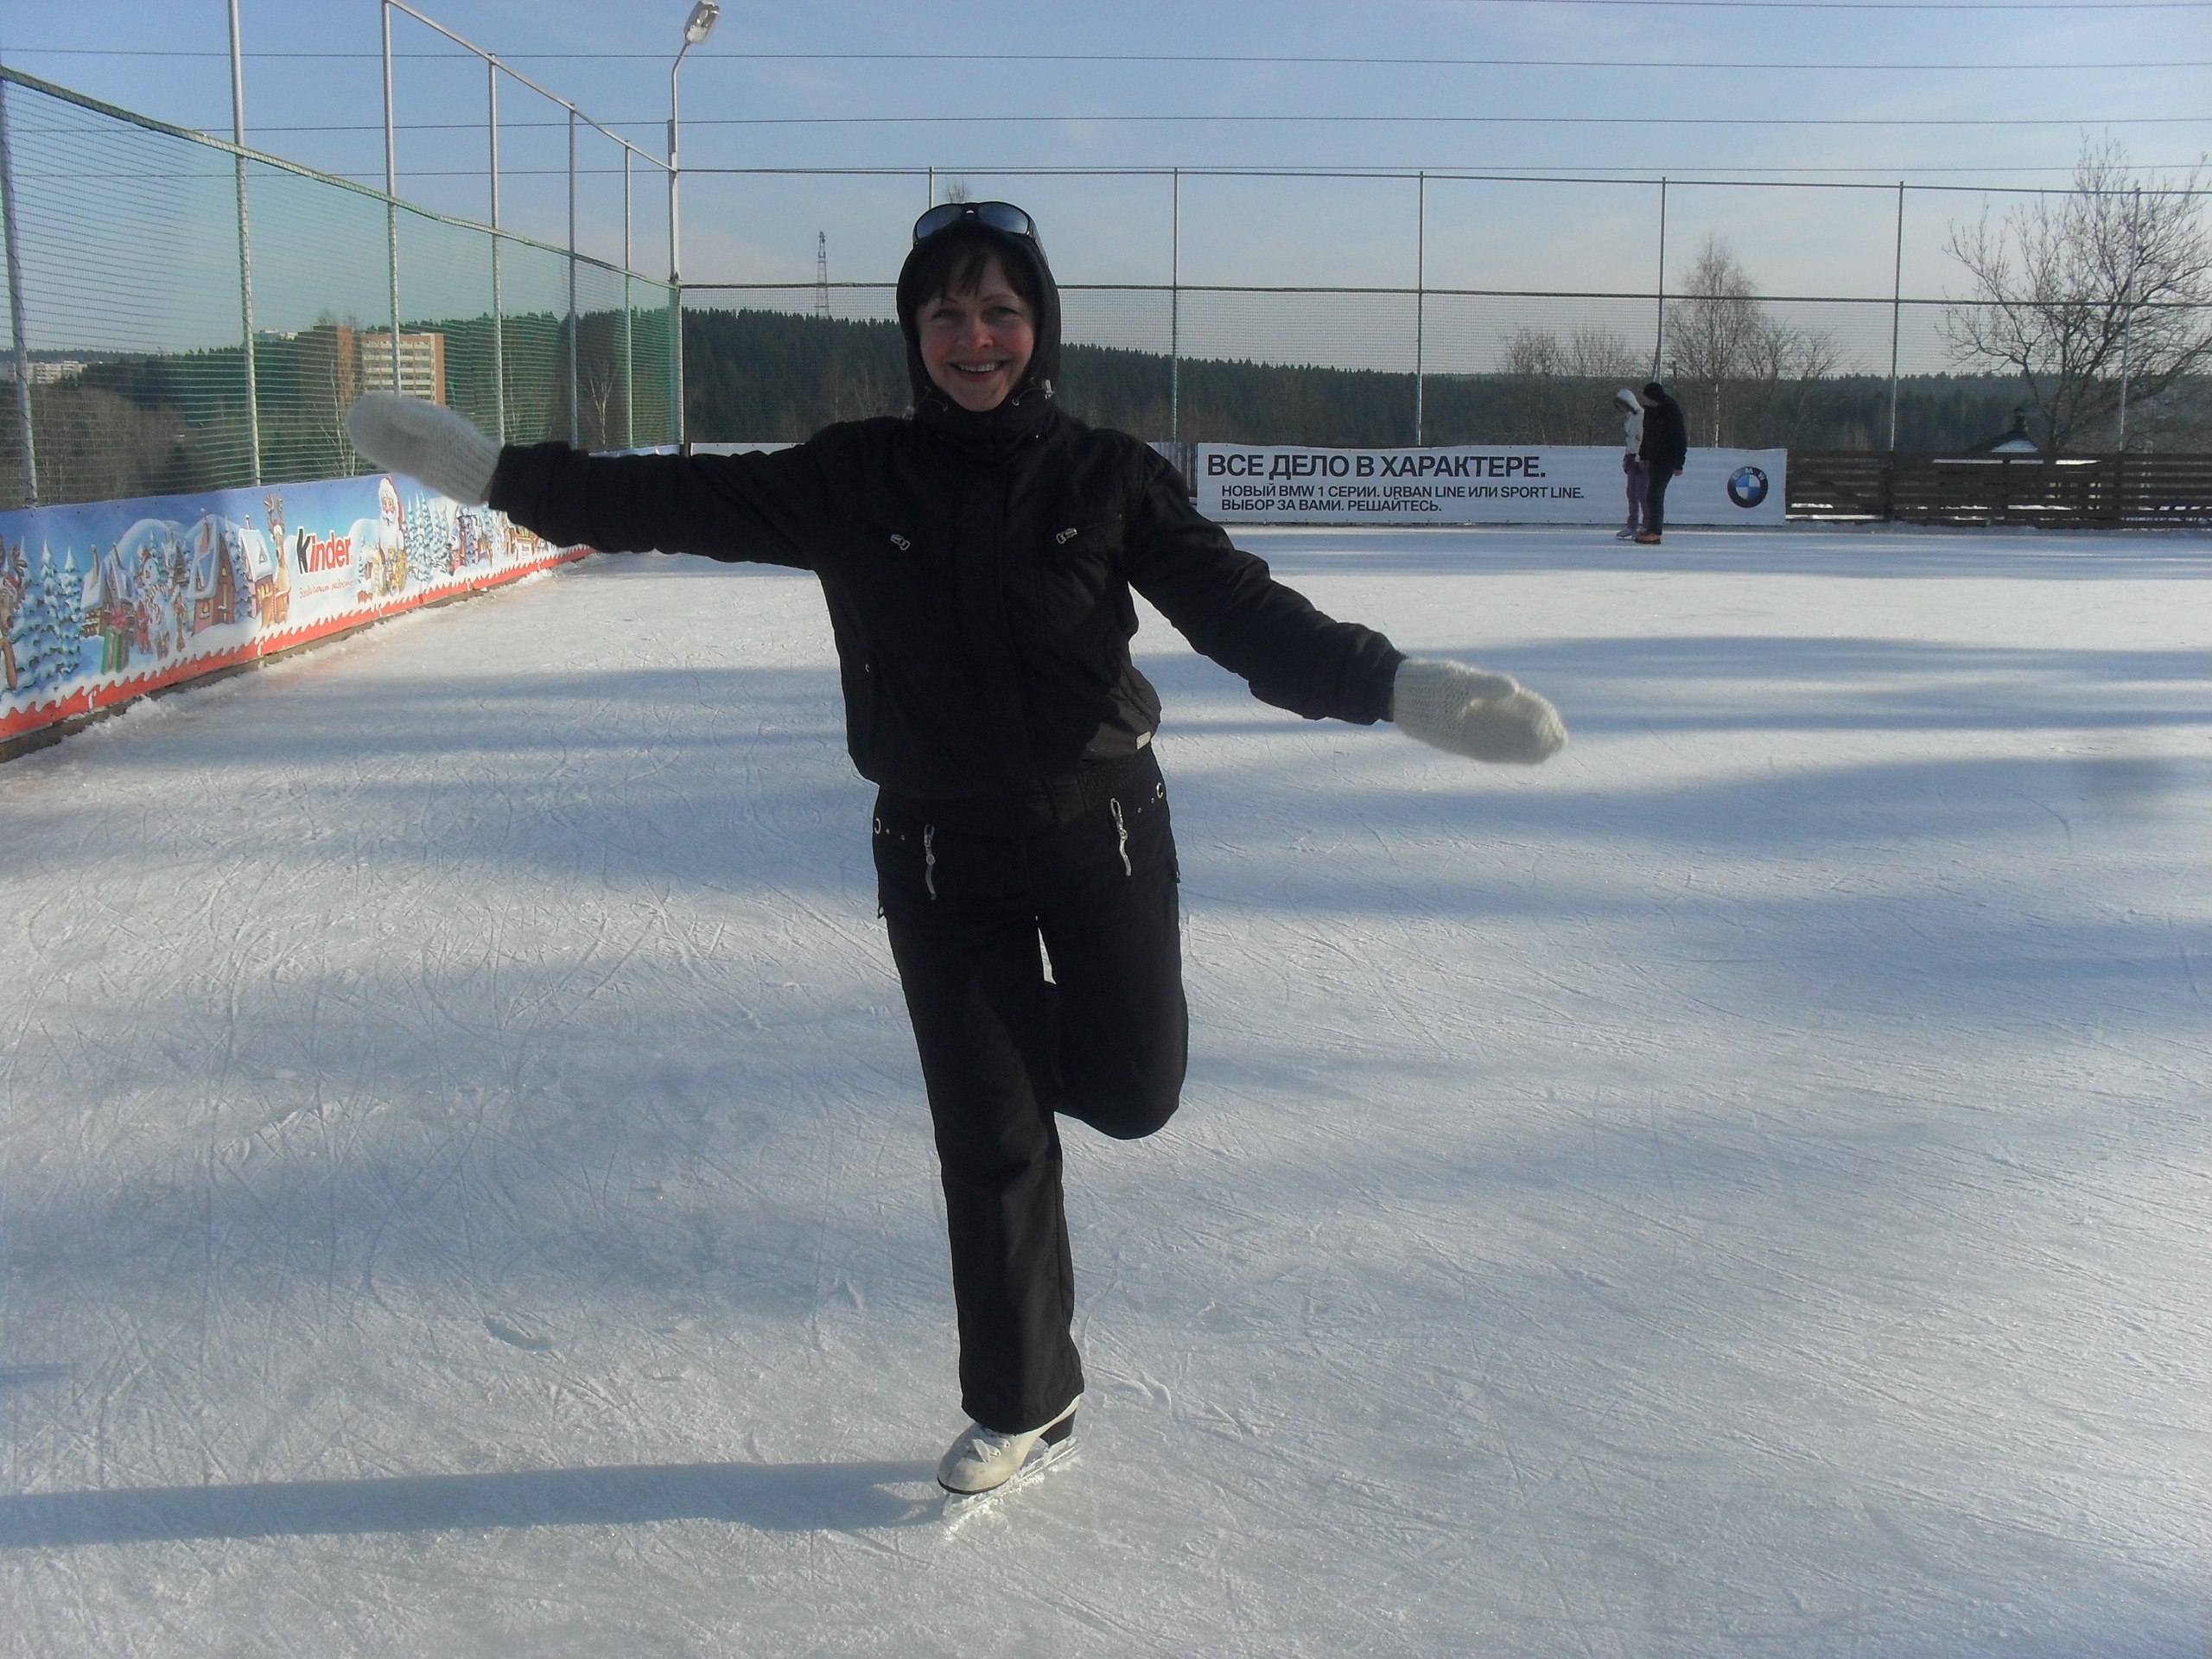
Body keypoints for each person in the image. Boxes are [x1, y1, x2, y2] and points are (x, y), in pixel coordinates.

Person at [343, 200, 1567, 1501]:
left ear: (1040, 326)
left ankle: (1012, 1077)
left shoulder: (1107, 477)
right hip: (938, 856)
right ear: (913, 334)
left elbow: (1245, 616)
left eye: (998, 311)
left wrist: (1395, 687)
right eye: (945, 315)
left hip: (1100, 830)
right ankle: (1024, 1401)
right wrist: (493, 473)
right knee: (991, 1142)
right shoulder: (851, 476)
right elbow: (663, 498)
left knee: (1137, 1093)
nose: (973, 338)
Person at [1634, 381, 1687, 545]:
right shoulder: (1650, 412)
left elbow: (1680, 438)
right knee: (1651, 495)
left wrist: (1679, 463)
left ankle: (1655, 532)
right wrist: (1643, 455)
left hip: (1667, 459)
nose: (1644, 400)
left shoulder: (1671, 411)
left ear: (1653, 397)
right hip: (1654, 458)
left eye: (1646, 397)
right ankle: (1651, 528)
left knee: (1655, 494)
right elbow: (1647, 435)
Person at [1611, 388, 1645, 541]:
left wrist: (1640, 457)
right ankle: (1632, 524)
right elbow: (1630, 440)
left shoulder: (1641, 416)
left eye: (1622, 406)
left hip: (1642, 459)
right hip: (1632, 457)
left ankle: (1646, 525)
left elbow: (1643, 439)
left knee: (1642, 493)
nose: (1621, 410)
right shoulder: (1629, 418)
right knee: (1631, 492)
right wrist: (1627, 456)